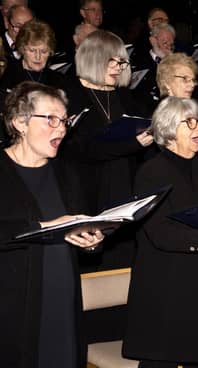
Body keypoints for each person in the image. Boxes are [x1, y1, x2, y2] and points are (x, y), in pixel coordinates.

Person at [123, 97, 198, 367]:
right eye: (189, 123)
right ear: (167, 128)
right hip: (168, 286)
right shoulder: (151, 172)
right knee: (163, 359)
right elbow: (158, 232)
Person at [0, 81, 104, 367]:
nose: (61, 128)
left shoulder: (67, 173)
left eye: (64, 120)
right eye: (51, 119)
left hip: (62, 303)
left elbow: (78, 226)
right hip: (14, 310)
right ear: (19, 122)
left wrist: (91, 240)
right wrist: (45, 226)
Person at [62, 29, 154, 270]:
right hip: (87, 192)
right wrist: (132, 144)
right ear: (93, 58)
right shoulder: (71, 95)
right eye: (111, 61)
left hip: (124, 190)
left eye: (122, 61)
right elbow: (79, 150)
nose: (118, 67)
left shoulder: (125, 96)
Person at [0, 19, 66, 98]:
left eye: (44, 51)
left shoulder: (58, 80)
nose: (38, 57)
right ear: (22, 49)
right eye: (32, 50)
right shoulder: (7, 74)